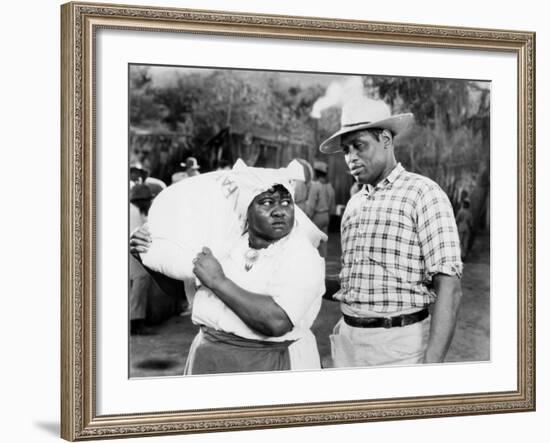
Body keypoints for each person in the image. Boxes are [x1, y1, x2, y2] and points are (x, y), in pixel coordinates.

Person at [319, 96, 463, 367]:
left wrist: (430, 366)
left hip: (399, 348)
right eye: (346, 150)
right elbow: (364, 283)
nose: (351, 158)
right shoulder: (354, 203)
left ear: (385, 138)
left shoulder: (423, 193)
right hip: (347, 341)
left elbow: (450, 288)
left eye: (359, 146)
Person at [130, 180, 325, 374]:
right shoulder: (226, 244)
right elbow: (184, 295)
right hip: (208, 358)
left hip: (262, 366)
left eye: (286, 202)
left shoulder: (301, 253)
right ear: (245, 209)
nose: (279, 211)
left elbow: (277, 322)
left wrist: (218, 281)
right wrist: (145, 257)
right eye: (266, 202)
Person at [306, 161, 336, 257]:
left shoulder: (315, 185)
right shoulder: (329, 186)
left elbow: (311, 204)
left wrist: (308, 216)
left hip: (317, 216)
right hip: (326, 216)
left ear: (317, 173)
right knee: (323, 242)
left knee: (312, 242)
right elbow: (332, 204)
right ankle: (322, 262)